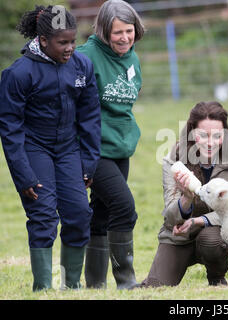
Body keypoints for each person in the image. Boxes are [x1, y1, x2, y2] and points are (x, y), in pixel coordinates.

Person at [0, 5, 101, 291]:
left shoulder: (82, 66)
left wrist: (88, 161)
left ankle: (72, 286)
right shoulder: (18, 74)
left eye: (73, 41)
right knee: (43, 216)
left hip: (69, 150)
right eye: (63, 42)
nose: (70, 48)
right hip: (34, 149)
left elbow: (91, 117)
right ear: (43, 41)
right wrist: (24, 175)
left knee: (80, 214)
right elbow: (10, 129)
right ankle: (43, 288)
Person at [140, 101, 228, 287]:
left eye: (217, 136)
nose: (210, 142)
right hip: (179, 233)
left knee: (212, 241)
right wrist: (186, 197)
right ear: (192, 132)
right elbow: (171, 216)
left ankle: (216, 278)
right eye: (203, 135)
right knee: (155, 287)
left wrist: (198, 221)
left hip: (214, 233)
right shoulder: (175, 156)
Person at [76, 0, 145, 290]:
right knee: (124, 207)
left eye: (129, 31)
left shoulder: (132, 58)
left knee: (102, 212)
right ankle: (126, 281)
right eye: (117, 32)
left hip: (120, 147)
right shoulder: (85, 57)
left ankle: (95, 285)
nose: (124, 38)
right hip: (94, 149)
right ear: (104, 30)